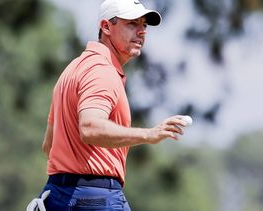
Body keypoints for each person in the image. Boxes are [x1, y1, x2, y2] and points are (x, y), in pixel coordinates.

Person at [35, 0, 189, 210]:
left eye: (144, 25)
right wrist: (149, 134)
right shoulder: (101, 71)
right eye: (132, 24)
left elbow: (48, 145)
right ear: (106, 27)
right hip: (95, 198)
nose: (142, 32)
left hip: (56, 195)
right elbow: (90, 128)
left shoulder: (72, 69)